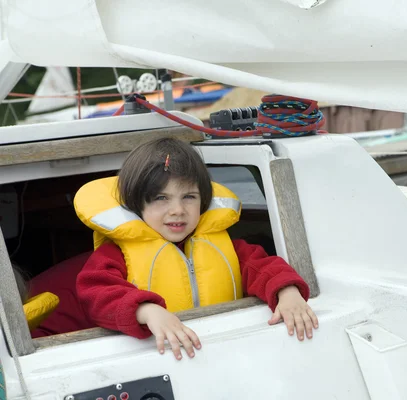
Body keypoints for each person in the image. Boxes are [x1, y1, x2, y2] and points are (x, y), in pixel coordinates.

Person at [74, 137, 318, 360]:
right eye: (161, 198)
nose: (178, 210)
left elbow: (265, 267)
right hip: (162, 356)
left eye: (189, 197)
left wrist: (287, 293)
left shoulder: (228, 248)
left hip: (227, 349)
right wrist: (146, 311)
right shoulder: (114, 255)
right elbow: (95, 293)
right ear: (137, 204)